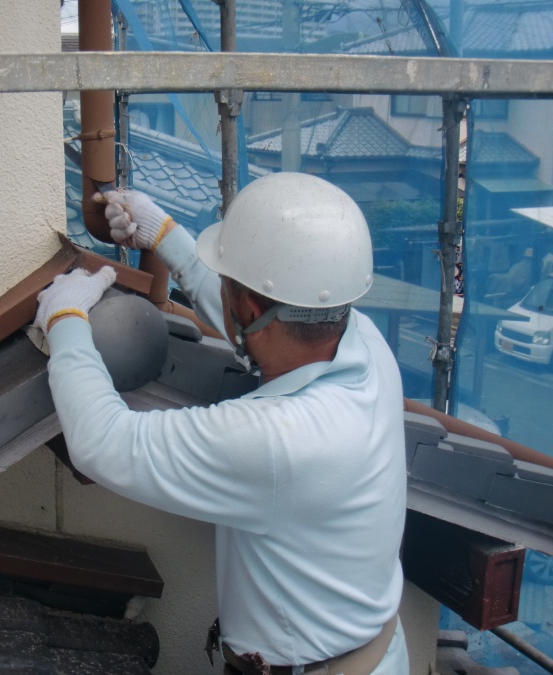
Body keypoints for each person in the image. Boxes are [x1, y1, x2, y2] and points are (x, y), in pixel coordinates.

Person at [33, 172, 409, 674]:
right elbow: (263, 324)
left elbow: (103, 442)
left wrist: (66, 323)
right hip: (375, 652)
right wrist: (164, 236)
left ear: (249, 306)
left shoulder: (278, 440)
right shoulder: (361, 340)